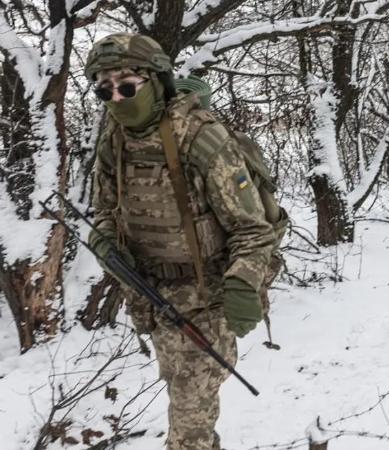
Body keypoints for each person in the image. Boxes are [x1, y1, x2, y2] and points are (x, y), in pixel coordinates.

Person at [85, 33, 285, 450]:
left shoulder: (201, 139)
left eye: (127, 86)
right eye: (105, 89)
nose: (116, 98)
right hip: (154, 298)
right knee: (181, 394)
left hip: (206, 299)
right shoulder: (114, 140)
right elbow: (104, 209)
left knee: (188, 427)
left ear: (157, 80)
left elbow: (252, 229)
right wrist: (104, 240)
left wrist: (244, 284)